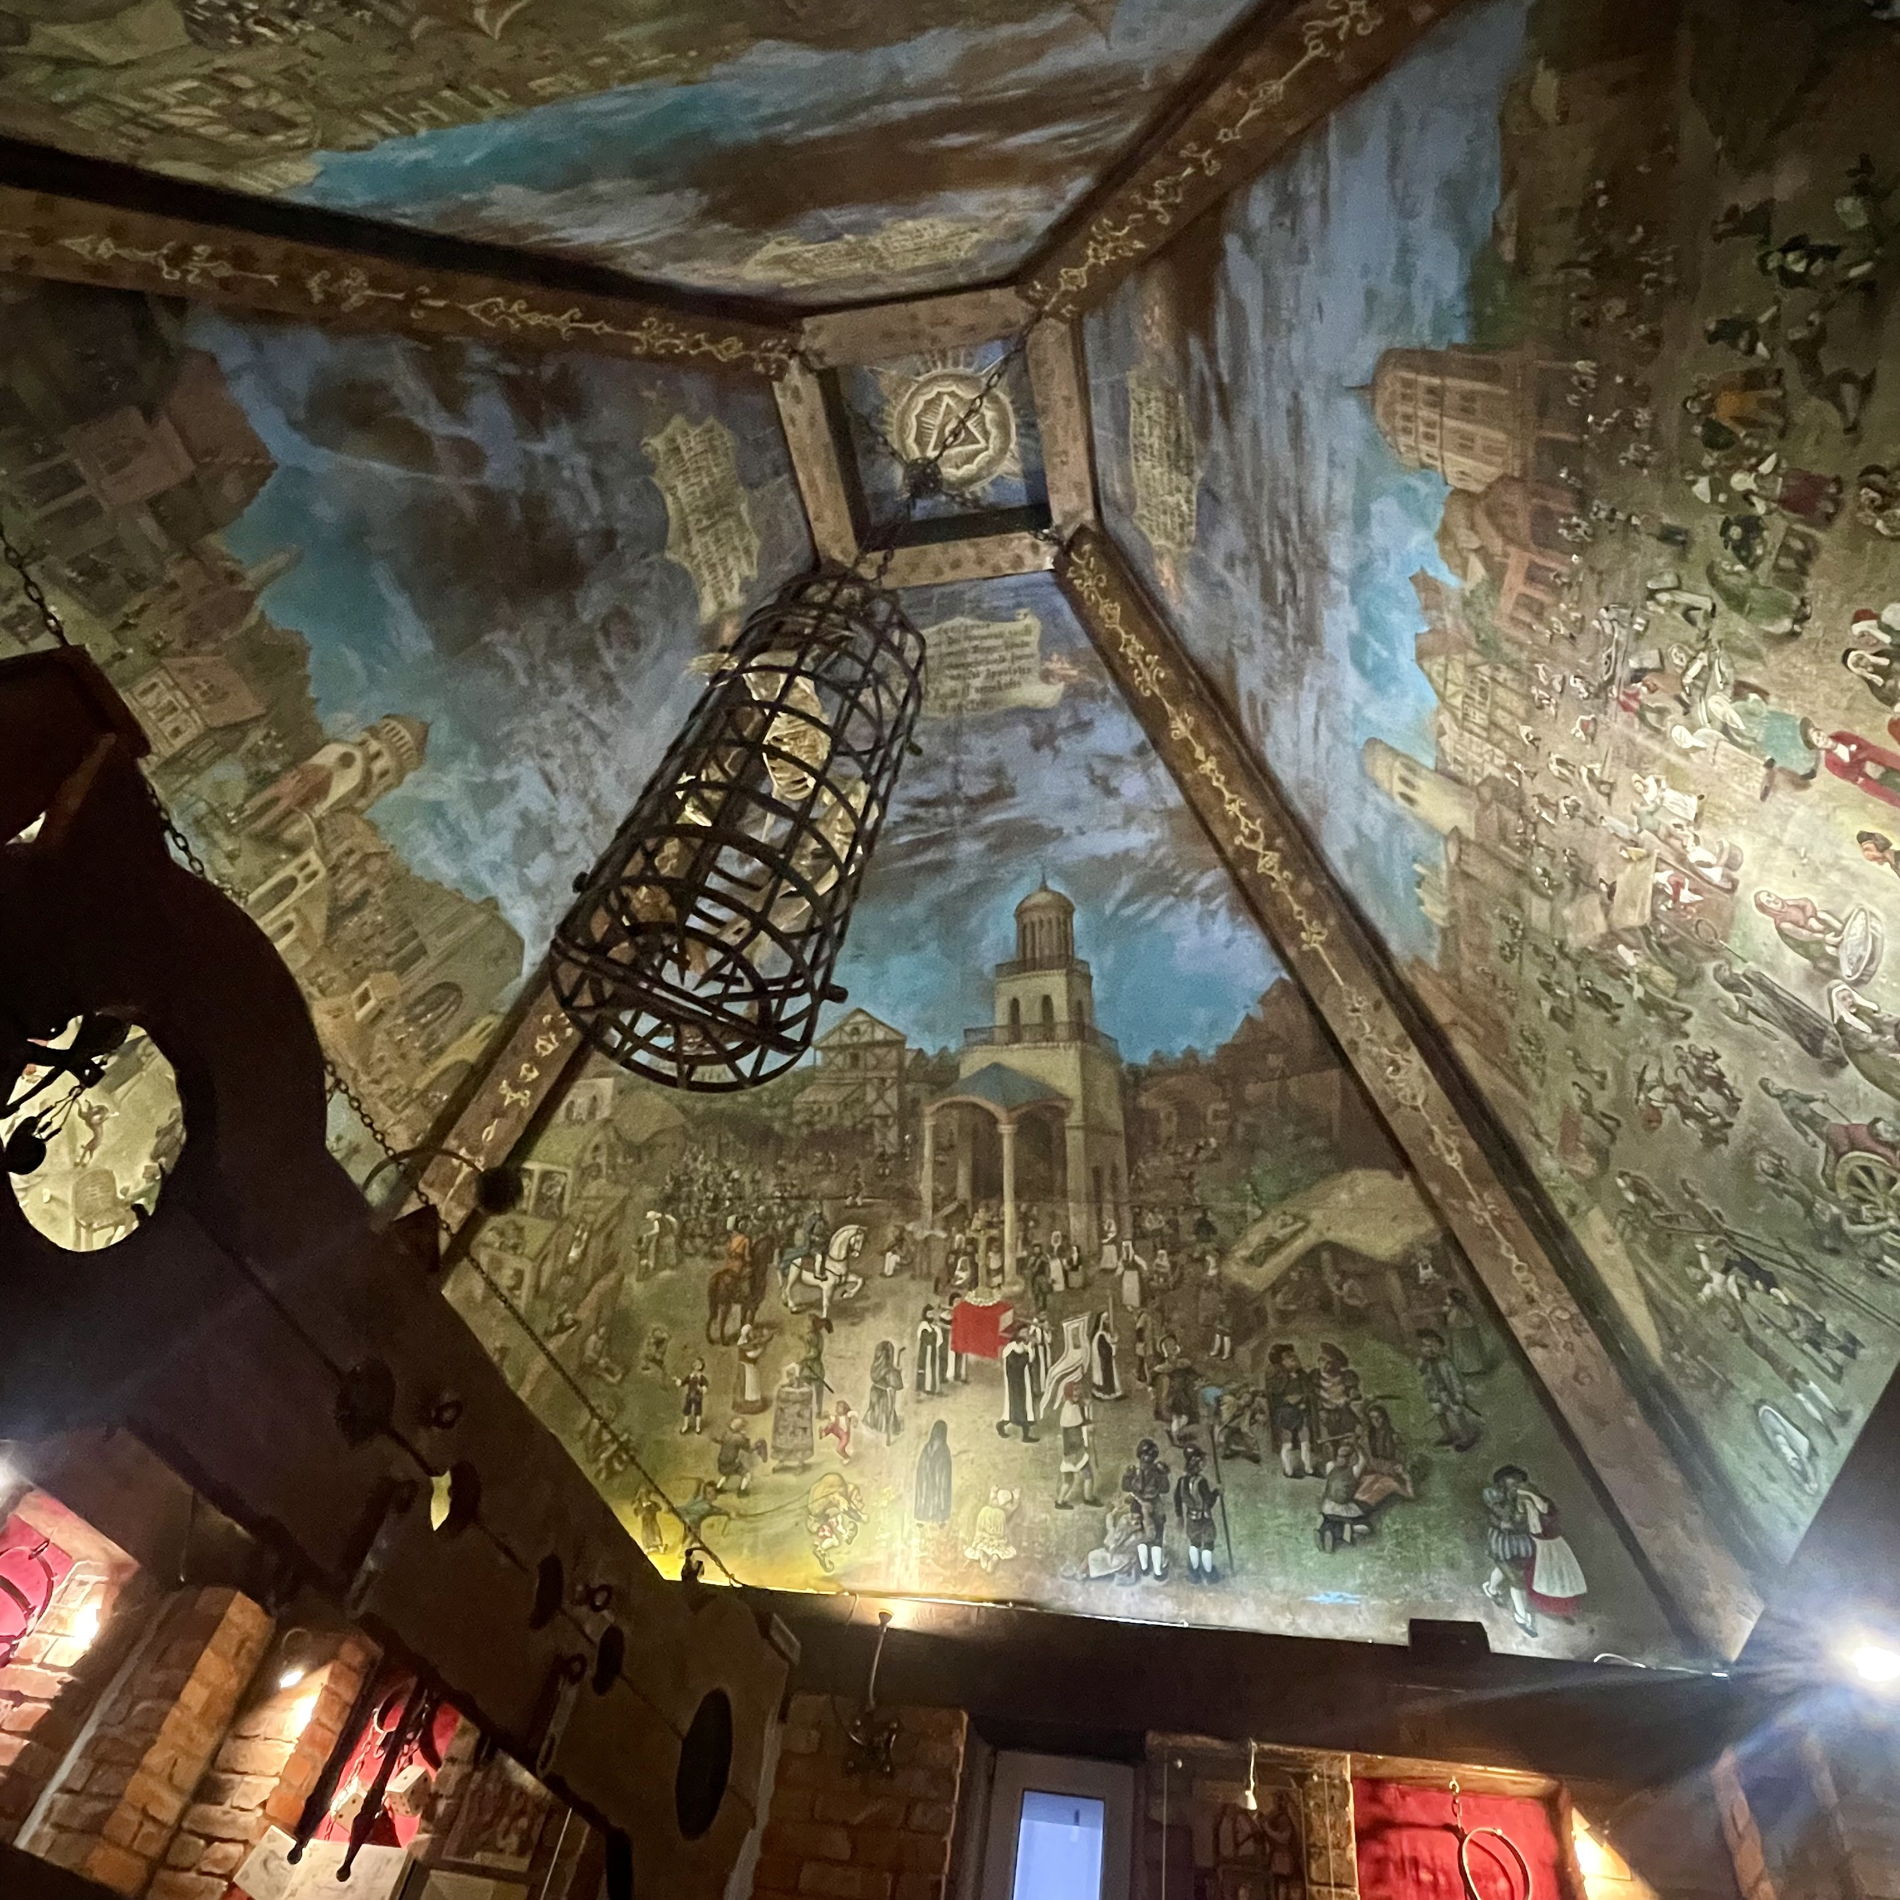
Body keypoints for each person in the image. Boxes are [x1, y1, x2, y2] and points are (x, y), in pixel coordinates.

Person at [1483, 1466, 1588, 1635]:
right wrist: (1511, 1514)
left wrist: (1530, 1499)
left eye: (1520, 1482)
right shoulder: (1494, 1496)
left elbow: (1543, 1514)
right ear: (1501, 1483)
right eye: (1513, 1483)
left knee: (1508, 1569)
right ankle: (1522, 1617)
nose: (1517, 1486)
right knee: (1517, 1580)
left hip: (1523, 1542)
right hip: (1502, 1542)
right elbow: (1506, 1520)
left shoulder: (1526, 1497)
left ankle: (1491, 1588)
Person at [1415, 1330, 1483, 1451]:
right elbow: (1422, 1373)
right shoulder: (1426, 1364)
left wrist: (1459, 1392)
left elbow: (1455, 1378)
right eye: (1424, 1346)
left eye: (1430, 1346)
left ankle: (1468, 1435)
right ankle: (1447, 1434)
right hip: (1436, 1392)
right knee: (1439, 1411)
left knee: (1457, 1411)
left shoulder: (1446, 1363)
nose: (1427, 1349)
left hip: (1449, 1392)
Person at [1121, 1438, 1171, 1580]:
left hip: (1137, 1506)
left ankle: (1144, 1568)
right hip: (1154, 1506)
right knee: (1156, 1539)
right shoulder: (1158, 1471)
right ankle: (1158, 1572)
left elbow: (1125, 1486)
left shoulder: (1133, 1470)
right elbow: (1165, 1488)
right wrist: (1164, 1474)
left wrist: (1127, 1475)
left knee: (1140, 1537)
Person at [1265, 1343, 1317, 1479]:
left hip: (1301, 1412)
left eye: (1294, 1357)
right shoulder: (1278, 1377)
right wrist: (1289, 1400)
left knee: (1305, 1441)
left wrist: (1303, 1399)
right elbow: (1275, 1396)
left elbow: (1309, 1391)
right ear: (1282, 1362)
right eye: (1289, 1358)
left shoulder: (1302, 1375)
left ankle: (1308, 1468)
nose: (1294, 1359)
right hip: (1285, 1413)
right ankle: (1288, 1469)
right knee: (1287, 1443)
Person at [1173, 1444, 1222, 1585]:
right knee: (1208, 1544)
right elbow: (1208, 1502)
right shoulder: (1201, 1482)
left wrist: (1179, 1515)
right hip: (1204, 1518)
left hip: (1191, 1518)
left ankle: (1194, 1574)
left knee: (1194, 1544)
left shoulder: (1182, 1481)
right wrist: (1217, 1492)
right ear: (1197, 1462)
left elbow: (1177, 1498)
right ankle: (1208, 1573)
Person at [1054, 1379, 1099, 1510]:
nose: (1078, 1393)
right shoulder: (1070, 1412)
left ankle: (1060, 1502)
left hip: (1068, 1453)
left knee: (1068, 1480)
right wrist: (1088, 1427)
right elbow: (1077, 1428)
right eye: (1075, 1391)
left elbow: (1079, 1409)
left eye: (1078, 1390)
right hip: (1075, 1452)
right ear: (1069, 1393)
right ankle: (1088, 1498)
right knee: (1088, 1476)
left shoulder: (1070, 1405)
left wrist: (1085, 1404)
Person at [1080, 1496, 1144, 1583]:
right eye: (1132, 1515)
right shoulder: (1125, 1519)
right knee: (1092, 1556)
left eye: (1136, 1516)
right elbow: (1115, 1533)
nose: (1133, 1518)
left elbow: (1125, 1541)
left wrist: (1113, 1547)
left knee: (1096, 1559)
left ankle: (1083, 1574)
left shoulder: (1138, 1527)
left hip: (1122, 1555)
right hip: (1115, 1549)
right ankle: (1081, 1574)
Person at [1443, 1287, 1496, 1379]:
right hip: (1461, 1334)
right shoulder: (1456, 1310)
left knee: (1468, 1351)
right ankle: (1469, 1369)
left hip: (1464, 1334)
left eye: (1448, 1298)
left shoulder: (1457, 1311)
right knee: (1465, 1351)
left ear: (1453, 1300)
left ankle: (1474, 1369)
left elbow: (1453, 1323)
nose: (1446, 1300)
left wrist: (1446, 1314)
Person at [997, 1327, 1039, 1442]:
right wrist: (1027, 1353)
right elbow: (1016, 1365)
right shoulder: (1011, 1348)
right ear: (1018, 1334)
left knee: (1025, 1406)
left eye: (1027, 1332)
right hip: (1015, 1384)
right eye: (1024, 1332)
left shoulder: (1023, 1346)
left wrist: (1030, 1348)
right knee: (1016, 1407)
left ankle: (1025, 1434)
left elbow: (1030, 1362)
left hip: (1024, 1381)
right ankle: (1001, 1426)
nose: (1026, 1334)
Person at [964, 1487, 1019, 1573]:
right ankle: (994, 1557)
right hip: (996, 1539)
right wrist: (1016, 1497)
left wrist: (993, 1492)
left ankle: (982, 1553)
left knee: (981, 1545)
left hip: (985, 1536)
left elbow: (991, 1498)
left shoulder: (988, 1509)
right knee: (998, 1550)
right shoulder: (1005, 1512)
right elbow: (1015, 1506)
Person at [913, 1419, 954, 1526]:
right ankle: (923, 1517)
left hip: (937, 1479)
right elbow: (922, 1464)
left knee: (939, 1496)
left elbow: (945, 1470)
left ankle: (940, 1519)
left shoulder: (943, 1450)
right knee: (925, 1495)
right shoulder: (928, 1448)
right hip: (927, 1478)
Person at [864, 1341, 904, 1445]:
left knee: (876, 1411)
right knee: (886, 1413)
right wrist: (898, 1372)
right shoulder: (889, 1370)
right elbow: (898, 1385)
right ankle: (884, 1429)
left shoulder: (875, 1367)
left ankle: (876, 1425)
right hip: (885, 1395)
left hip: (875, 1392)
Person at [715, 1420, 762, 1494]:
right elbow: (749, 1449)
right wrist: (755, 1444)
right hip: (731, 1462)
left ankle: (718, 1488)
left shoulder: (727, 1433)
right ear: (739, 1428)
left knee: (726, 1474)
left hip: (722, 1461)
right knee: (746, 1474)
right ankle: (742, 1491)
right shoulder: (738, 1438)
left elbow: (720, 1440)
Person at [1089, 1310, 1124, 1400]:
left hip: (1107, 1361)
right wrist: (1112, 1347)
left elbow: (1109, 1343)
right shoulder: (1100, 1335)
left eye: (1108, 1319)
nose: (1108, 1322)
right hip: (1103, 1362)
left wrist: (1113, 1342)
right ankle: (1106, 1393)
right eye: (1106, 1320)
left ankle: (1114, 1393)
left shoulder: (1104, 1334)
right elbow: (1104, 1351)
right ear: (1101, 1322)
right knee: (1106, 1378)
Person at [915, 1303, 948, 1396]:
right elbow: (924, 1337)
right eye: (929, 1314)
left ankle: (934, 1388)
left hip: (933, 1350)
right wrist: (932, 1335)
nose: (931, 1315)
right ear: (925, 1314)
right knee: (926, 1368)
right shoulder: (923, 1325)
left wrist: (936, 1331)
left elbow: (939, 1339)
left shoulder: (934, 1326)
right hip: (926, 1350)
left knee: (934, 1368)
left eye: (932, 1313)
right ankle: (926, 1388)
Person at [677, 1358, 709, 1435]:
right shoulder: (690, 1376)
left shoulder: (702, 1378)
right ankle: (685, 1426)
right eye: (695, 1363)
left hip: (697, 1397)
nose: (695, 1365)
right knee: (686, 1411)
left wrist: (701, 1389)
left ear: (701, 1367)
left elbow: (705, 1387)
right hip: (689, 1396)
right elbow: (683, 1382)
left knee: (698, 1411)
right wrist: (679, 1382)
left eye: (698, 1364)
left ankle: (697, 1427)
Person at [820, 1399, 856, 1463]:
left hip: (845, 1436)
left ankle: (847, 1458)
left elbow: (854, 1413)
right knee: (831, 1425)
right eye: (836, 1407)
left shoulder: (847, 1415)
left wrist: (855, 1421)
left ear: (844, 1408)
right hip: (840, 1433)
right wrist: (826, 1415)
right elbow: (830, 1417)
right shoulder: (836, 1417)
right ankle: (824, 1433)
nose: (836, 1408)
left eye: (839, 1407)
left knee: (839, 1449)